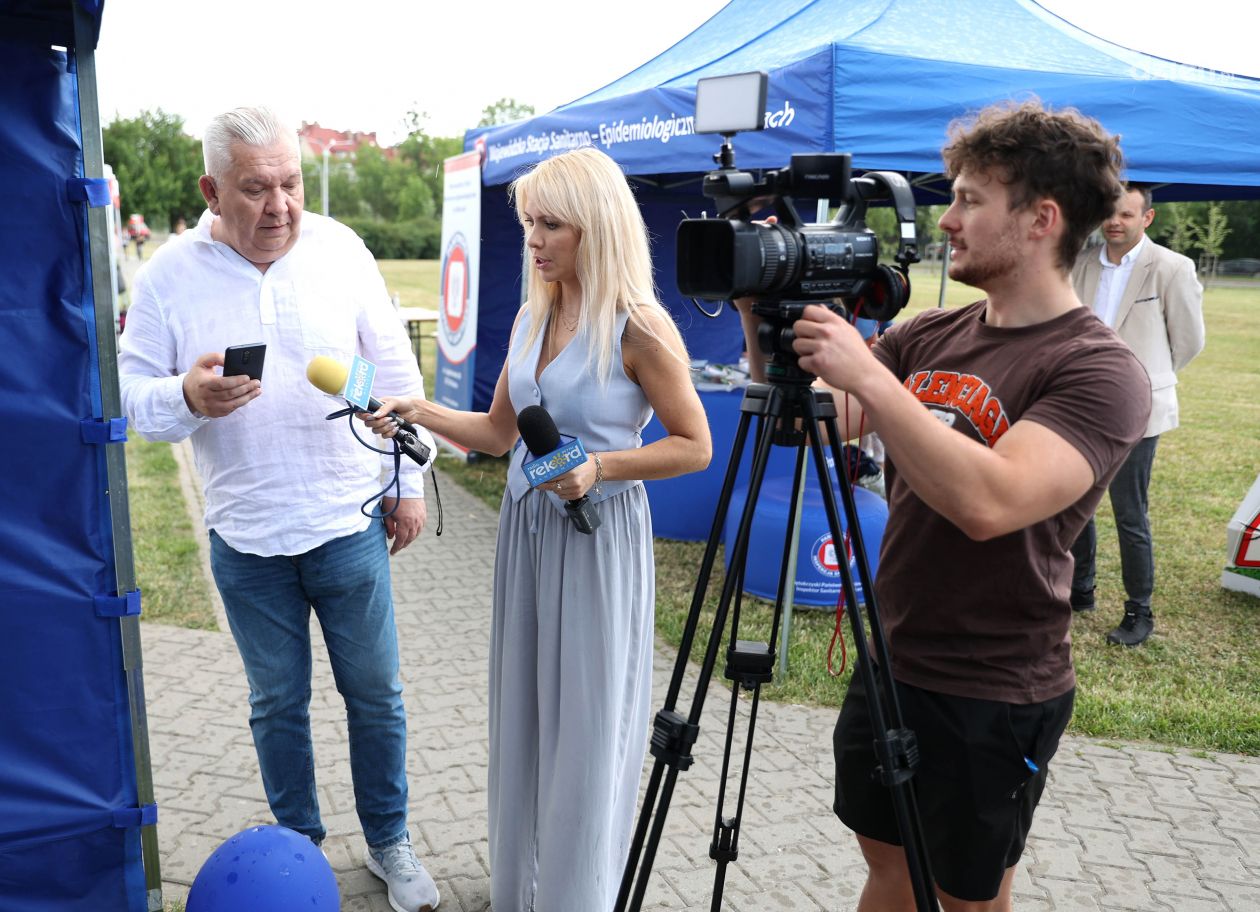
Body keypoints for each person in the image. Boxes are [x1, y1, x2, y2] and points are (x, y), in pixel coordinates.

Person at [735, 100, 1151, 911]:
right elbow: (802, 418)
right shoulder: (930, 334)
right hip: (894, 659)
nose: (947, 220)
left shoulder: (1097, 369)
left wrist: (870, 376)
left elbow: (989, 501)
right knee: (889, 868)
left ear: (1041, 219)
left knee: (963, 897)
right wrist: (762, 303)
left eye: (969, 200)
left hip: (994, 687)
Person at [361, 145, 712, 912]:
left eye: (551, 224)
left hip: (597, 539)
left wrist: (600, 468)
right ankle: (520, 893)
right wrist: (418, 409)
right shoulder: (533, 313)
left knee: (586, 728)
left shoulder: (639, 327)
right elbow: (497, 433)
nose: (534, 240)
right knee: (523, 718)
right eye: (528, 224)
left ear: (597, 226)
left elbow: (695, 445)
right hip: (525, 535)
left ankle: (576, 896)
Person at [117, 106, 441, 912]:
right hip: (245, 538)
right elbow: (126, 396)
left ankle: (390, 842)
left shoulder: (341, 248)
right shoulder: (168, 274)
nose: (281, 206)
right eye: (257, 189)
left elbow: (394, 370)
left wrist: (407, 486)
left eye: (291, 183)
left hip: (348, 523)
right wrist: (185, 395)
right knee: (277, 707)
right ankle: (298, 854)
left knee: (377, 698)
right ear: (211, 191)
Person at [1068, 184, 1205, 646]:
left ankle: (1139, 610)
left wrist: (1146, 381)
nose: (1115, 222)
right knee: (1075, 503)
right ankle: (1079, 589)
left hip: (1138, 410)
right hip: (1082, 405)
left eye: (1127, 214)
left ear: (1147, 218)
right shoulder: (1081, 262)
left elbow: (1188, 342)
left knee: (1130, 513)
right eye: (1110, 212)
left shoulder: (1172, 267)